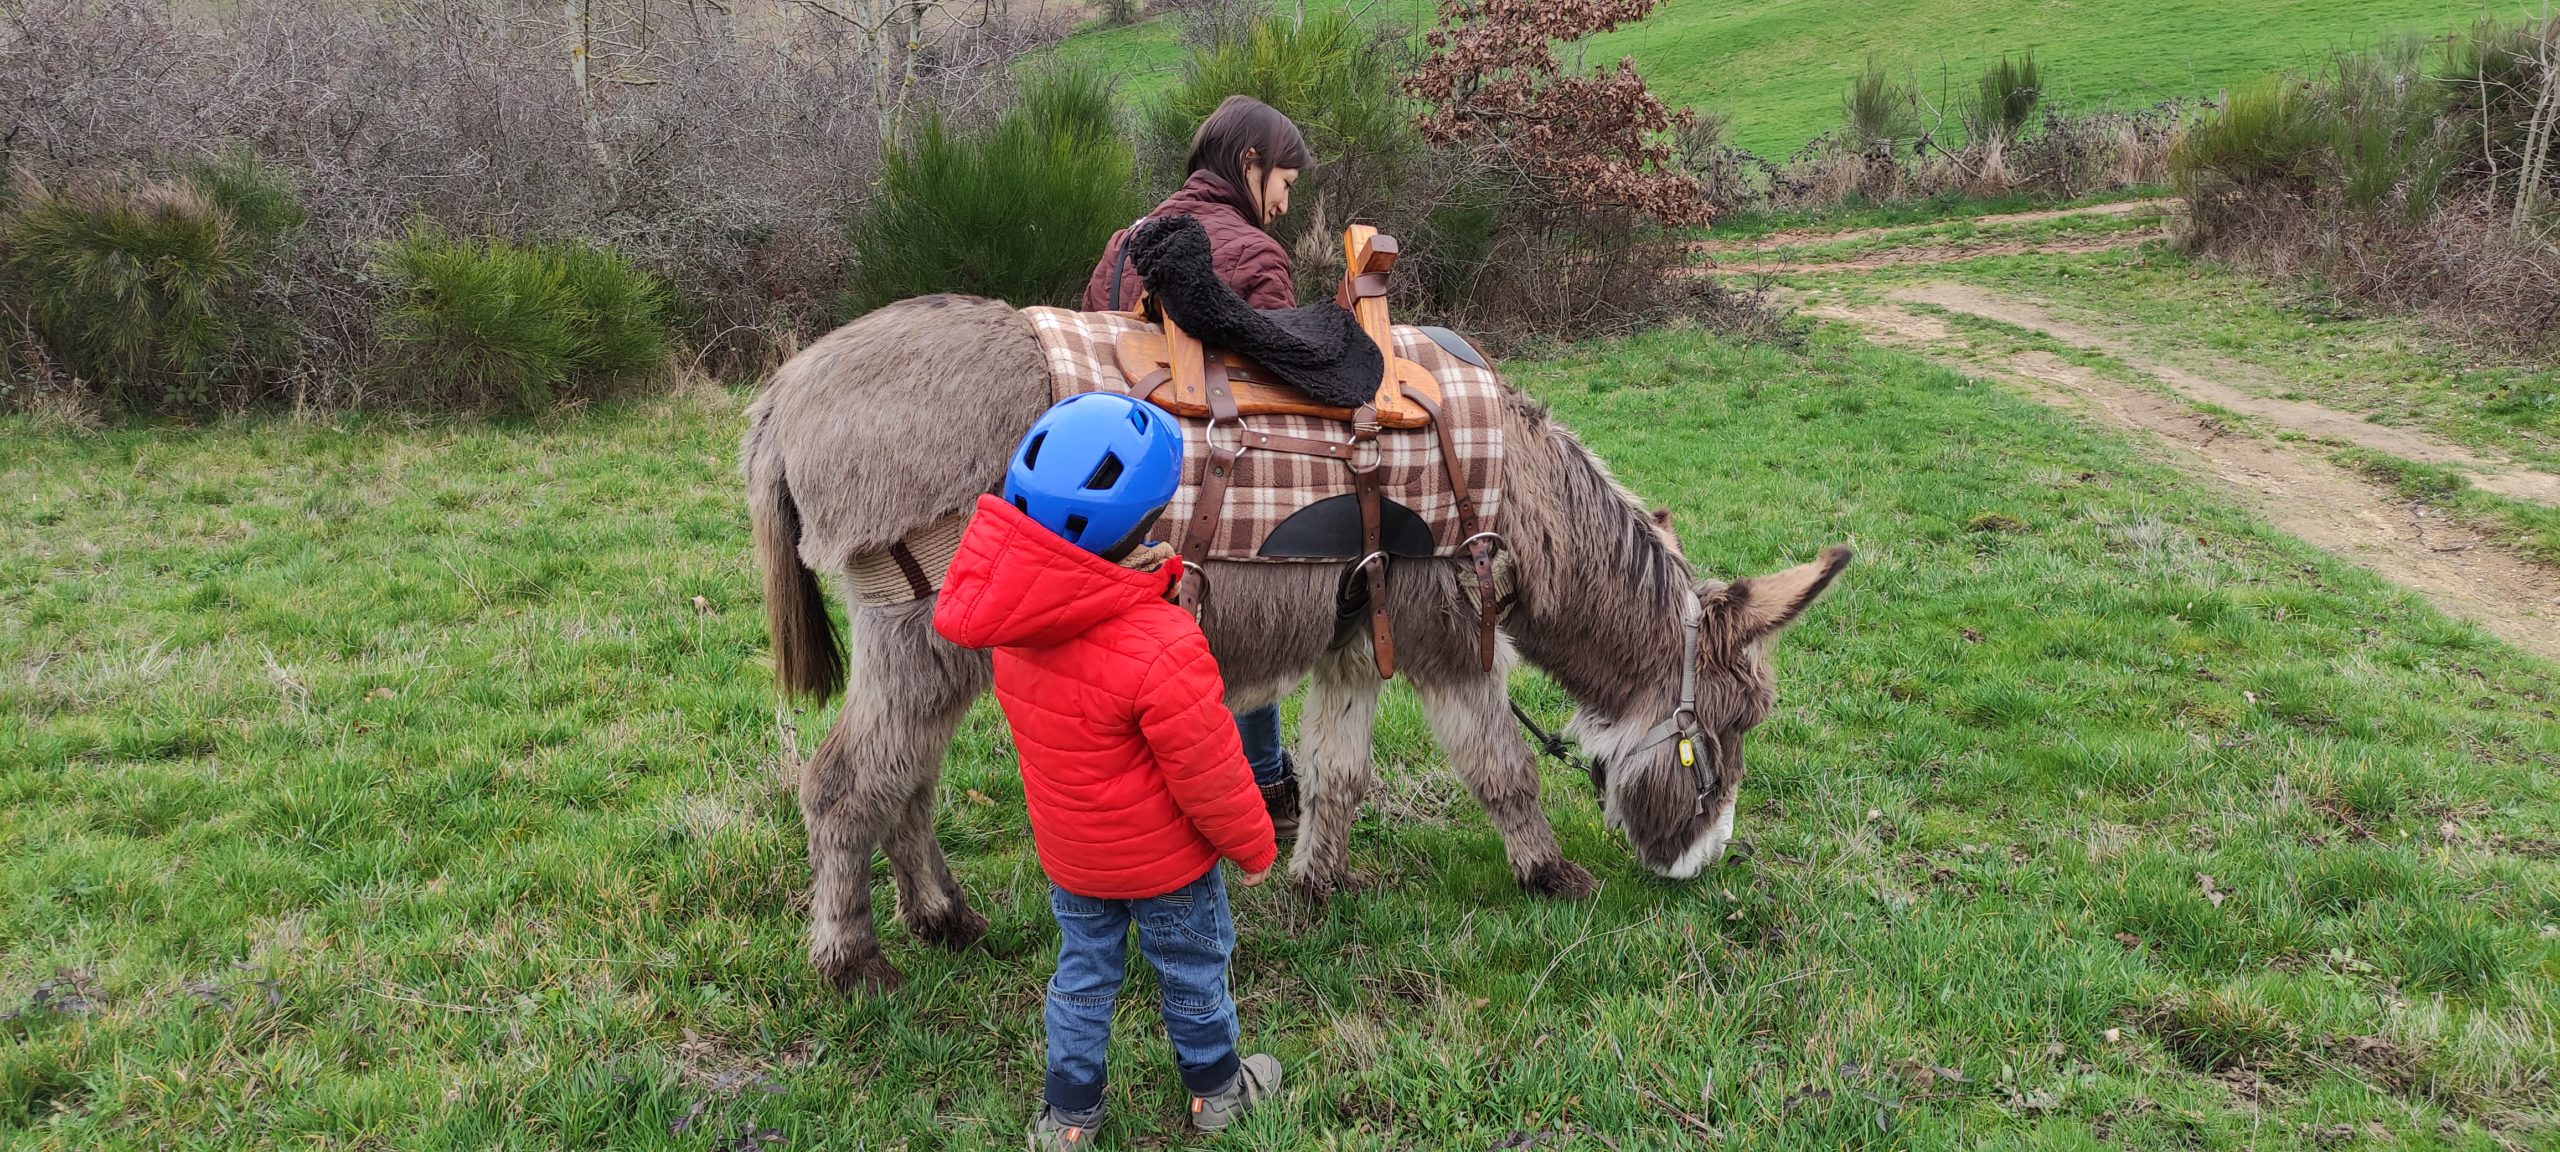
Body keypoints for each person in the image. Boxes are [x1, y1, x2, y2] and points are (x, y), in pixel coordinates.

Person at [933, 392, 1286, 1149]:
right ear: (1144, 527)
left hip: (1075, 862)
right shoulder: (1163, 641)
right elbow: (1211, 770)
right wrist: (1254, 845)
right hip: (1170, 869)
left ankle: (1069, 1115)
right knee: (1192, 970)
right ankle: (1219, 1091)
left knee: (1083, 979)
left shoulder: (1014, 630)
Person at [1085, 94, 1309, 836]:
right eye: (1284, 181)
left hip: (1123, 482)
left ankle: (1143, 788)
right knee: (1259, 617)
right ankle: (1266, 781)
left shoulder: (1128, 242)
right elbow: (1278, 395)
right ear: (1249, 164)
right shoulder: (1255, 255)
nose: (1283, 203)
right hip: (1218, 478)